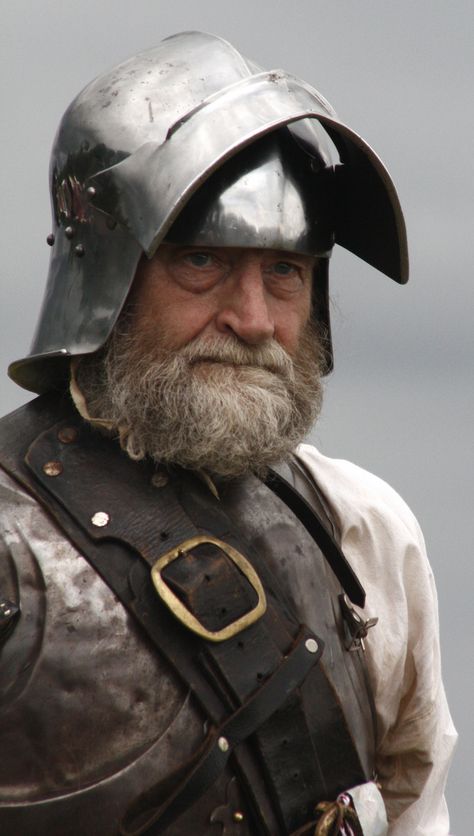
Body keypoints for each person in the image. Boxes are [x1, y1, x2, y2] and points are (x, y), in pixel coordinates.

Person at [0, 31, 456, 836]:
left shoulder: (360, 529)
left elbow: (415, 813)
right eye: (203, 261)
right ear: (109, 273)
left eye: (284, 272)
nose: (253, 320)